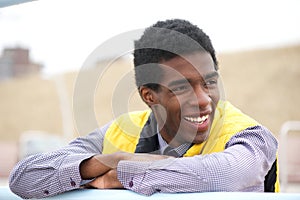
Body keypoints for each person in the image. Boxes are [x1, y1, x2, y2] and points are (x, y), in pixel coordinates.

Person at [9, 19, 279, 199]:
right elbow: (24, 177)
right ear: (150, 96)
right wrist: (109, 161)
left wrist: (121, 174)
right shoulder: (118, 132)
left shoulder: (251, 135)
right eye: (182, 88)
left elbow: (226, 173)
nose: (203, 100)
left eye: (208, 82)